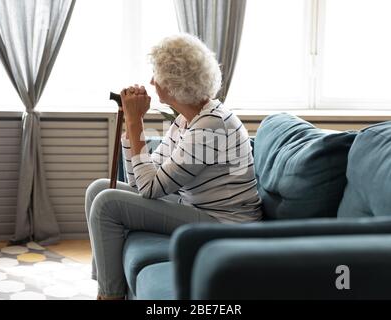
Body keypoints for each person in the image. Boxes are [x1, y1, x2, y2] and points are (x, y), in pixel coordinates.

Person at [85, 33, 262, 300]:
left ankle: (111, 296)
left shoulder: (212, 126)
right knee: (98, 189)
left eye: (157, 74)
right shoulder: (189, 119)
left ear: (174, 83)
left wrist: (136, 123)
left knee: (107, 202)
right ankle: (108, 288)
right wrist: (130, 130)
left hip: (225, 224)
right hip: (198, 210)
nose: (152, 81)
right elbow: (143, 178)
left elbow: (150, 188)